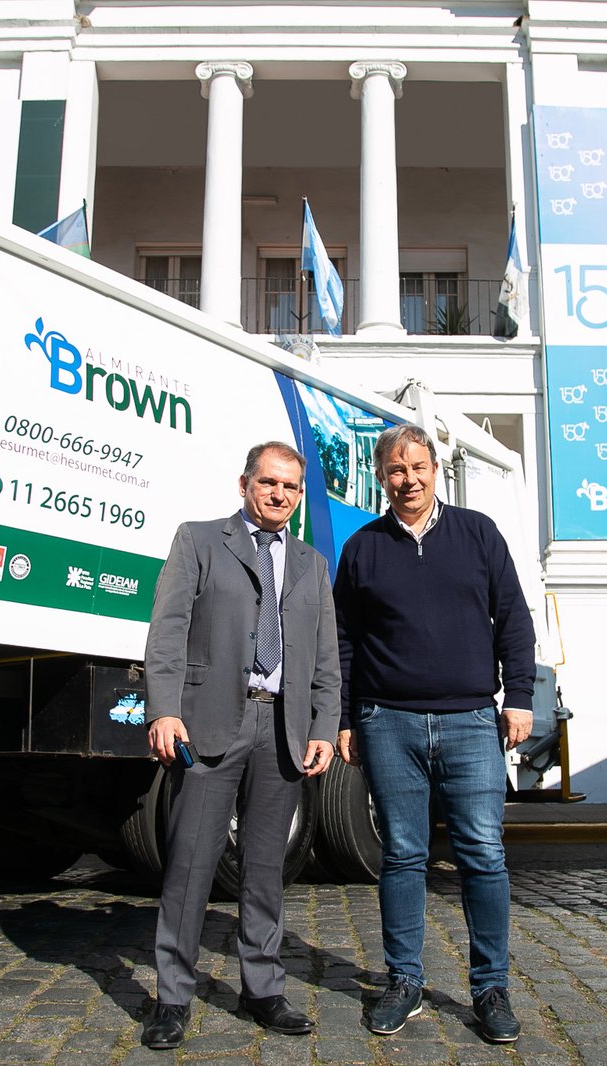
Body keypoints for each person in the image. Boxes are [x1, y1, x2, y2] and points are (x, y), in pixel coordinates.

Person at [333, 423, 535, 1044]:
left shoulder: (478, 533)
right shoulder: (362, 548)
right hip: (387, 721)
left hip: (470, 720)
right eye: (396, 470)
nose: (409, 479)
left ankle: (491, 988)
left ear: (436, 469)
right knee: (402, 854)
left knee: (483, 854)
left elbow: (514, 618)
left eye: (418, 467)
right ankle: (404, 981)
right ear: (381, 476)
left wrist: (520, 696)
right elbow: (342, 641)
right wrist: (345, 716)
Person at [141, 441, 340, 1050]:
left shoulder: (311, 564)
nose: (280, 494)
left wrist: (324, 727)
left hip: (282, 730)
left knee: (265, 869)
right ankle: (173, 998)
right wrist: (164, 709)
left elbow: (326, 657)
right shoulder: (199, 540)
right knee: (191, 865)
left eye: (291, 486)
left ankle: (263, 988)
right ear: (245, 484)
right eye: (269, 482)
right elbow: (168, 629)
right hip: (210, 724)